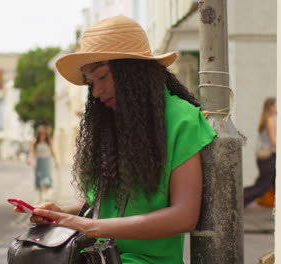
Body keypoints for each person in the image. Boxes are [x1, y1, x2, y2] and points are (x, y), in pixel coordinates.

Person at [13, 16, 217, 263]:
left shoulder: (183, 120)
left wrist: (93, 226)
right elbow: (105, 204)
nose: (96, 92)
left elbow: (184, 216)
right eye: (90, 83)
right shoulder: (112, 122)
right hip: (97, 256)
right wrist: (61, 213)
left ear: (131, 72)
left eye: (102, 77)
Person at [244, 97, 277, 207]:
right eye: (277, 105)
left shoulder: (265, 118)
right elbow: (274, 141)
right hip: (269, 157)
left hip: (265, 157)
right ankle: (238, 199)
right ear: (271, 106)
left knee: (272, 183)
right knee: (262, 186)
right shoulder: (270, 119)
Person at [29, 125, 59, 203]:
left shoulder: (49, 140)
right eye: (41, 133)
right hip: (38, 161)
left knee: (46, 178)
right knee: (38, 178)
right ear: (38, 133)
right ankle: (39, 196)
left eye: (44, 133)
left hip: (46, 161)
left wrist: (55, 161)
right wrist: (32, 161)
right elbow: (32, 152)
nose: (42, 134)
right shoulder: (34, 141)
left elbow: (52, 151)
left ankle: (45, 195)